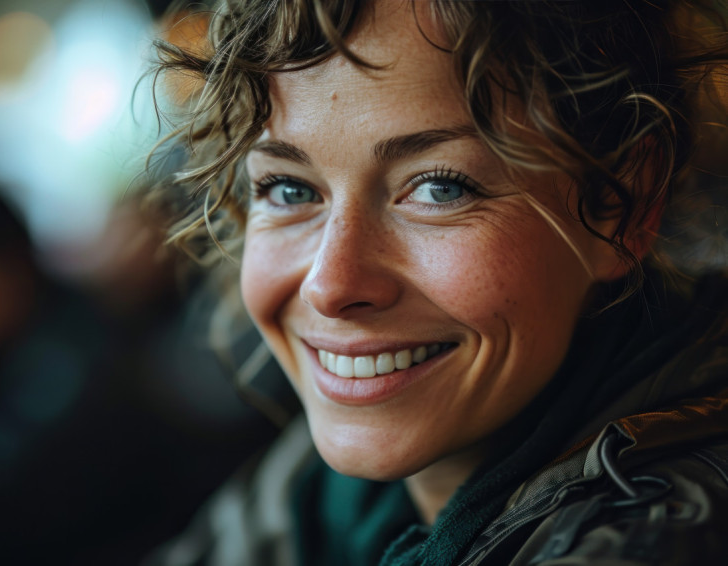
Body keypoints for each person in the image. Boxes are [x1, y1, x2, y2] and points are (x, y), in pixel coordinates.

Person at [146, 1, 728, 565]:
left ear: (619, 206)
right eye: (289, 189)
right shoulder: (312, 497)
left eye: (439, 188)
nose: (330, 284)